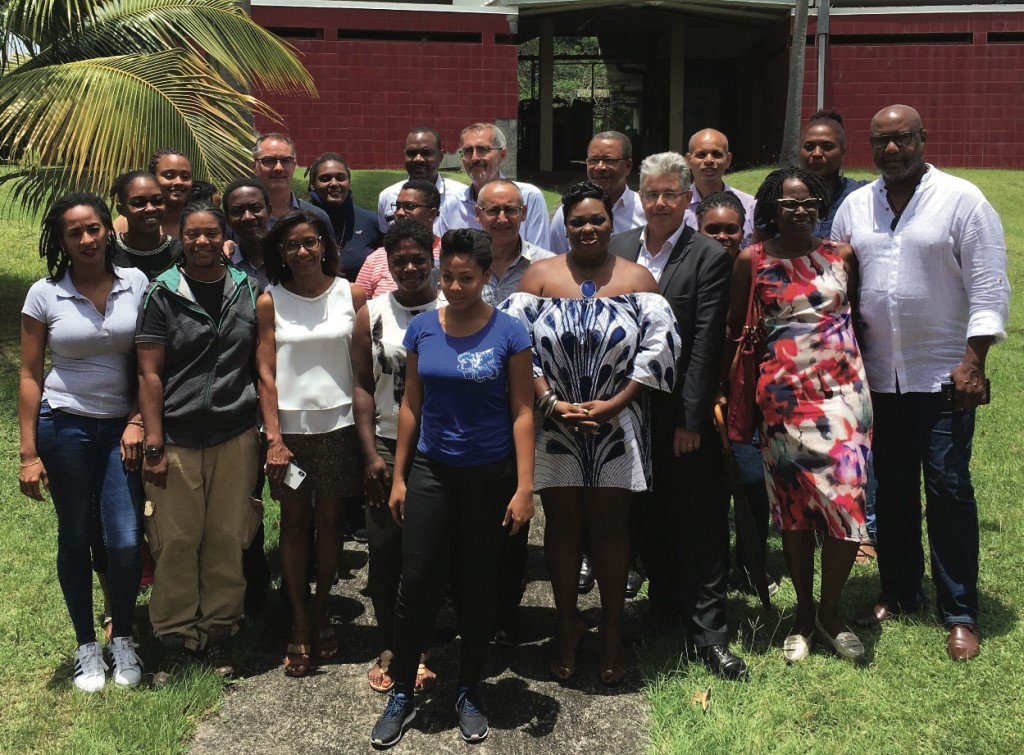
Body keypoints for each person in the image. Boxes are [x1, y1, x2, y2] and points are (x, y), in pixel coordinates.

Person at [834, 104, 1010, 661]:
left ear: (922, 138)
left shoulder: (962, 200)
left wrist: (974, 361)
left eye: (902, 139)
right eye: (881, 141)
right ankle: (900, 591)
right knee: (892, 486)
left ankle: (959, 610)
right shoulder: (855, 207)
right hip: (877, 375)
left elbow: (988, 285)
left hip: (943, 375)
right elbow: (839, 282)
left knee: (949, 487)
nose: (892, 150)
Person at [503, 181, 679, 686]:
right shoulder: (538, 276)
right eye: (577, 221)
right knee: (561, 526)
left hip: (618, 423)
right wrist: (549, 400)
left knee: (609, 529)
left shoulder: (638, 277)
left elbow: (659, 350)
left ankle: (611, 631)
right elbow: (519, 349)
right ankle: (566, 625)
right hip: (555, 421)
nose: (586, 229)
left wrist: (615, 404)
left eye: (597, 220)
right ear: (564, 225)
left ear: (612, 223)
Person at [369, 229, 534, 749]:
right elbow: (411, 405)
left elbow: (523, 411)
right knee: (416, 580)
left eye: (468, 278)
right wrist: (399, 476)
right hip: (432, 471)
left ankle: (469, 688)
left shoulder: (510, 332)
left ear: (488, 277)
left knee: (476, 582)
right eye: (450, 277)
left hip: (490, 475)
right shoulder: (423, 328)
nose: (457, 287)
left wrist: (525, 487)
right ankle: (402, 690)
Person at [726, 167, 871, 663]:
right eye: (788, 203)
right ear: (771, 207)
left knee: (845, 500)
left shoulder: (841, 256)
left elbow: (860, 317)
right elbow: (736, 327)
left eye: (808, 201)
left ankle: (832, 613)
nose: (800, 210)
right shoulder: (753, 259)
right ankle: (804, 614)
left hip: (843, 396)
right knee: (793, 508)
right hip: (783, 399)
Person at [608, 158, 746, 680]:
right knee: (646, 517)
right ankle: (665, 610)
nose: (660, 202)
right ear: (638, 197)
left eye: (670, 193)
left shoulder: (708, 255)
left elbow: (707, 342)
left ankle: (709, 633)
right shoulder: (618, 247)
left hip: (681, 414)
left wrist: (691, 421)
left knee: (700, 521)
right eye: (651, 193)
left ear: (688, 198)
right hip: (626, 411)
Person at [19, 193, 148, 691]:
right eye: (75, 233)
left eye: (93, 228)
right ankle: (86, 647)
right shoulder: (44, 294)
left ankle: (123, 635)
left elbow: (147, 359)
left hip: (121, 429)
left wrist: (137, 417)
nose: (87, 239)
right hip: (64, 425)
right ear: (63, 241)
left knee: (124, 537)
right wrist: (28, 453)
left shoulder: (135, 283)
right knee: (75, 533)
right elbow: (30, 375)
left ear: (107, 230)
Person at [136, 202, 262, 686]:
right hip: (178, 437)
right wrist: (153, 440)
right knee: (177, 540)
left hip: (235, 433)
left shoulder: (246, 289)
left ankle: (221, 629)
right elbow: (149, 371)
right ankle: (173, 636)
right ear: (181, 238)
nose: (203, 242)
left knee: (228, 535)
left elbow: (258, 361)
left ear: (223, 236)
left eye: (212, 234)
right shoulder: (162, 292)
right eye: (194, 235)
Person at [255, 210, 366, 676]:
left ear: (324, 245)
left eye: (309, 243)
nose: (301, 252)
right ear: (280, 253)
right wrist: (274, 438)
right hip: (291, 433)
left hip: (340, 427)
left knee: (332, 520)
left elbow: (362, 366)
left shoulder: (352, 292)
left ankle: (322, 609)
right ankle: (299, 619)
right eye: (291, 245)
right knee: (296, 522)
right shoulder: (270, 300)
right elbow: (264, 372)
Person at [352, 219, 442, 694]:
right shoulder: (372, 312)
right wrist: (369, 451)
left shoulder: (454, 306)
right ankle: (390, 640)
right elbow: (363, 386)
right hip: (386, 439)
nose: (409, 268)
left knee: (429, 551)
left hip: (443, 442)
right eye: (399, 260)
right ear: (386, 261)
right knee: (386, 548)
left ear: (432, 256)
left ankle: (425, 641)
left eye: (418, 258)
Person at [473, 178, 553, 644]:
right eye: (492, 211)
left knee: (516, 505)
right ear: (478, 215)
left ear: (523, 213)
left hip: (527, 401)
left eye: (510, 210)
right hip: (470, 403)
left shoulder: (546, 265)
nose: (501, 218)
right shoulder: (463, 261)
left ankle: (506, 608)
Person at [799, 108, 877, 563]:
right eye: (810, 145)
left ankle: (863, 525)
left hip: (847, 338)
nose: (817, 152)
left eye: (827, 145)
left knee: (854, 436)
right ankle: (807, 518)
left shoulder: (861, 198)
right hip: (794, 341)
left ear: (844, 152)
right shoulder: (783, 195)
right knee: (804, 434)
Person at [697, 191, 777, 599]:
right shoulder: (687, 270)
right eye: (713, 229)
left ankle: (752, 562)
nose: (723, 237)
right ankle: (710, 566)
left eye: (731, 229)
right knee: (705, 491)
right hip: (697, 399)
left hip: (747, 397)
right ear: (698, 229)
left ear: (744, 231)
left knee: (750, 482)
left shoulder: (757, 273)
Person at [437, 123, 549, 247]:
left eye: (482, 150)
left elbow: (539, 257)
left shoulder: (529, 197)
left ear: (502, 155)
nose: (474, 158)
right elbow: (443, 258)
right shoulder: (451, 205)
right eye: (468, 151)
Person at [548, 131, 646, 253]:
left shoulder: (645, 211)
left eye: (609, 160)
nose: (600, 167)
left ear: (628, 166)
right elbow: (555, 261)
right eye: (594, 160)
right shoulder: (567, 213)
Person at [356, 180, 441, 299]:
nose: (399, 213)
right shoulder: (376, 258)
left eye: (409, 207)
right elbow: (360, 303)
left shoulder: (449, 253)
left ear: (431, 214)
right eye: (397, 206)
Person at [376, 127, 466, 235]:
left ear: (440, 156)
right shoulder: (387, 197)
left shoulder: (462, 197)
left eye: (426, 152)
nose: (418, 159)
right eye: (411, 153)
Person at [307, 152, 382, 280]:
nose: (334, 183)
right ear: (313, 184)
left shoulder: (371, 222)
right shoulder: (299, 221)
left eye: (340, 178)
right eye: (325, 179)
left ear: (349, 181)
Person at [684, 129, 756, 245]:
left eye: (716, 154)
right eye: (701, 154)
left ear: (728, 160)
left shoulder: (751, 207)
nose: (709, 160)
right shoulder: (677, 207)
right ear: (688, 160)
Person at [110, 170, 182, 279]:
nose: (150, 208)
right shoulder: (109, 253)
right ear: (121, 210)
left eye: (157, 201)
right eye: (139, 203)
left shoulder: (180, 253)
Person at [251, 132, 331, 229]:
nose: (279, 168)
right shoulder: (239, 220)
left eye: (286, 161)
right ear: (254, 166)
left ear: (293, 165)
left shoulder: (318, 218)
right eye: (269, 160)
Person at [113, 148, 193, 240]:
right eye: (169, 176)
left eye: (185, 177)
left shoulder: (200, 223)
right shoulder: (127, 223)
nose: (179, 182)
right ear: (152, 178)